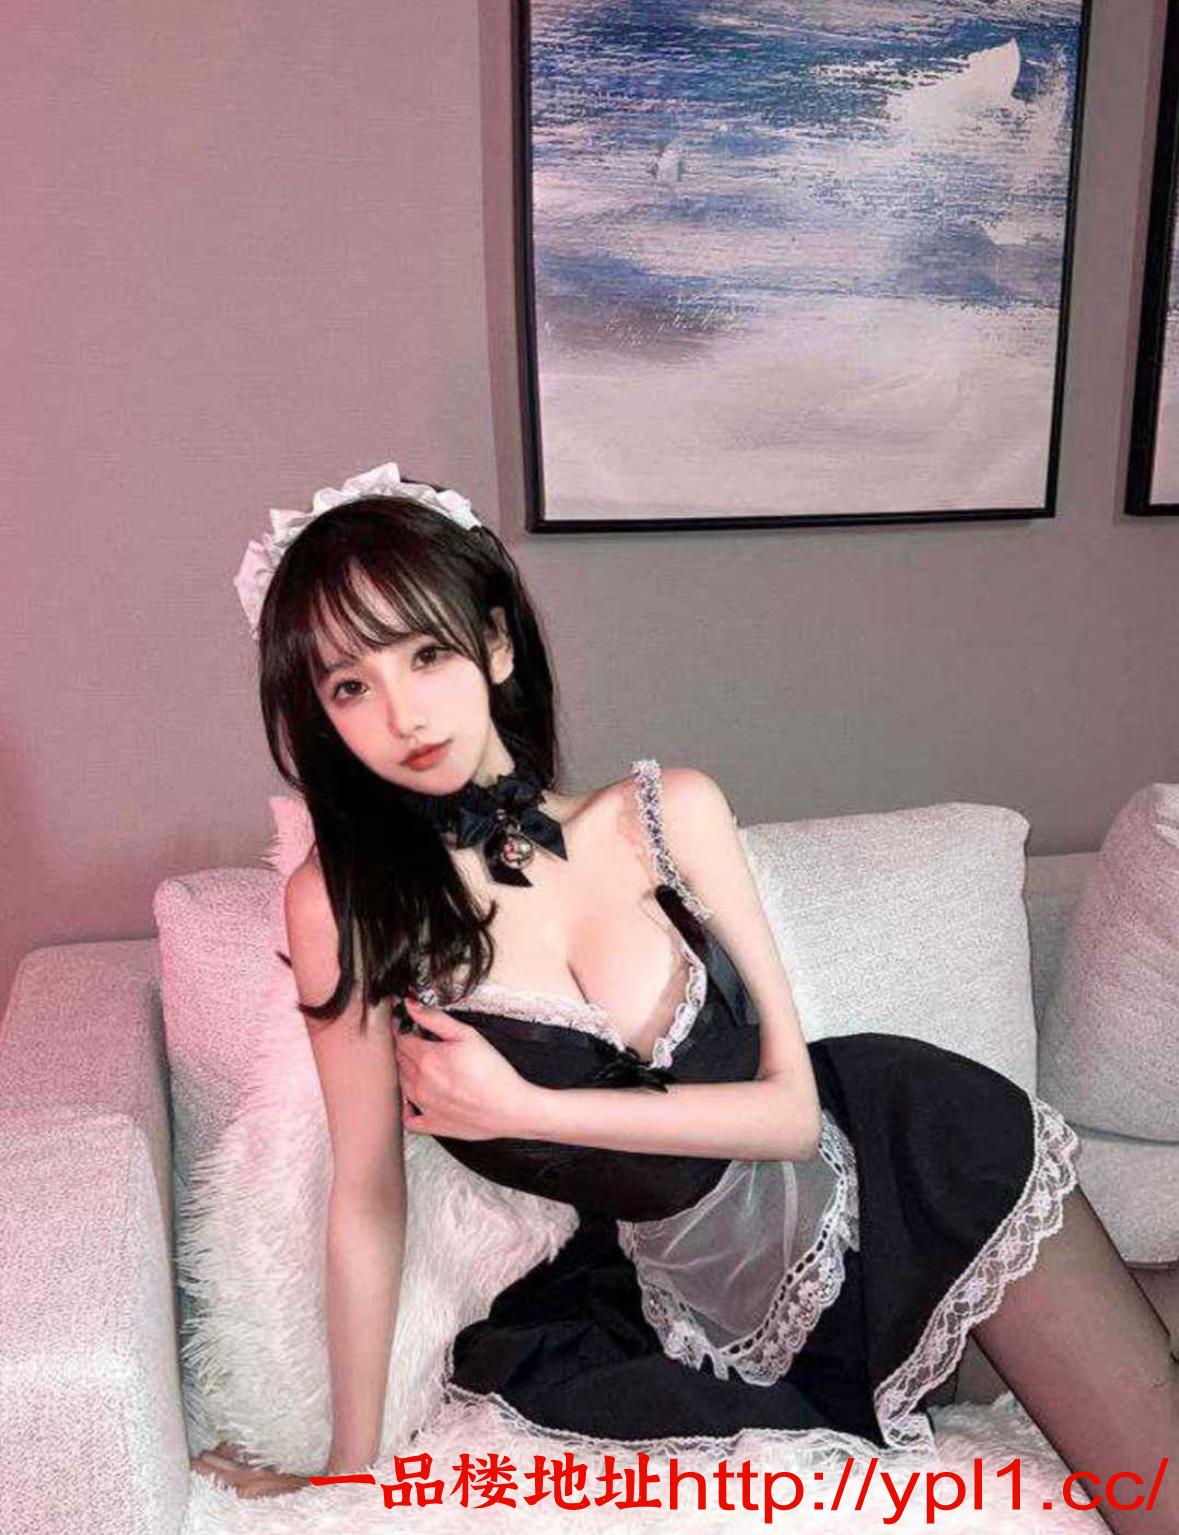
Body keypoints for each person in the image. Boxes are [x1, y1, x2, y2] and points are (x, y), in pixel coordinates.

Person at [192, 460, 1177, 1529]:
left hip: (903, 1167)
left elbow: (788, 1116)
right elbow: (366, 1193)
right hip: (665, 1303)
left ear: (496, 644)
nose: (401, 711)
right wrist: (347, 1465)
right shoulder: (341, 908)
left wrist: (526, 1106)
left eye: (426, 653)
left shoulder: (666, 815)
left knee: (1155, 1491)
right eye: (350, 685)